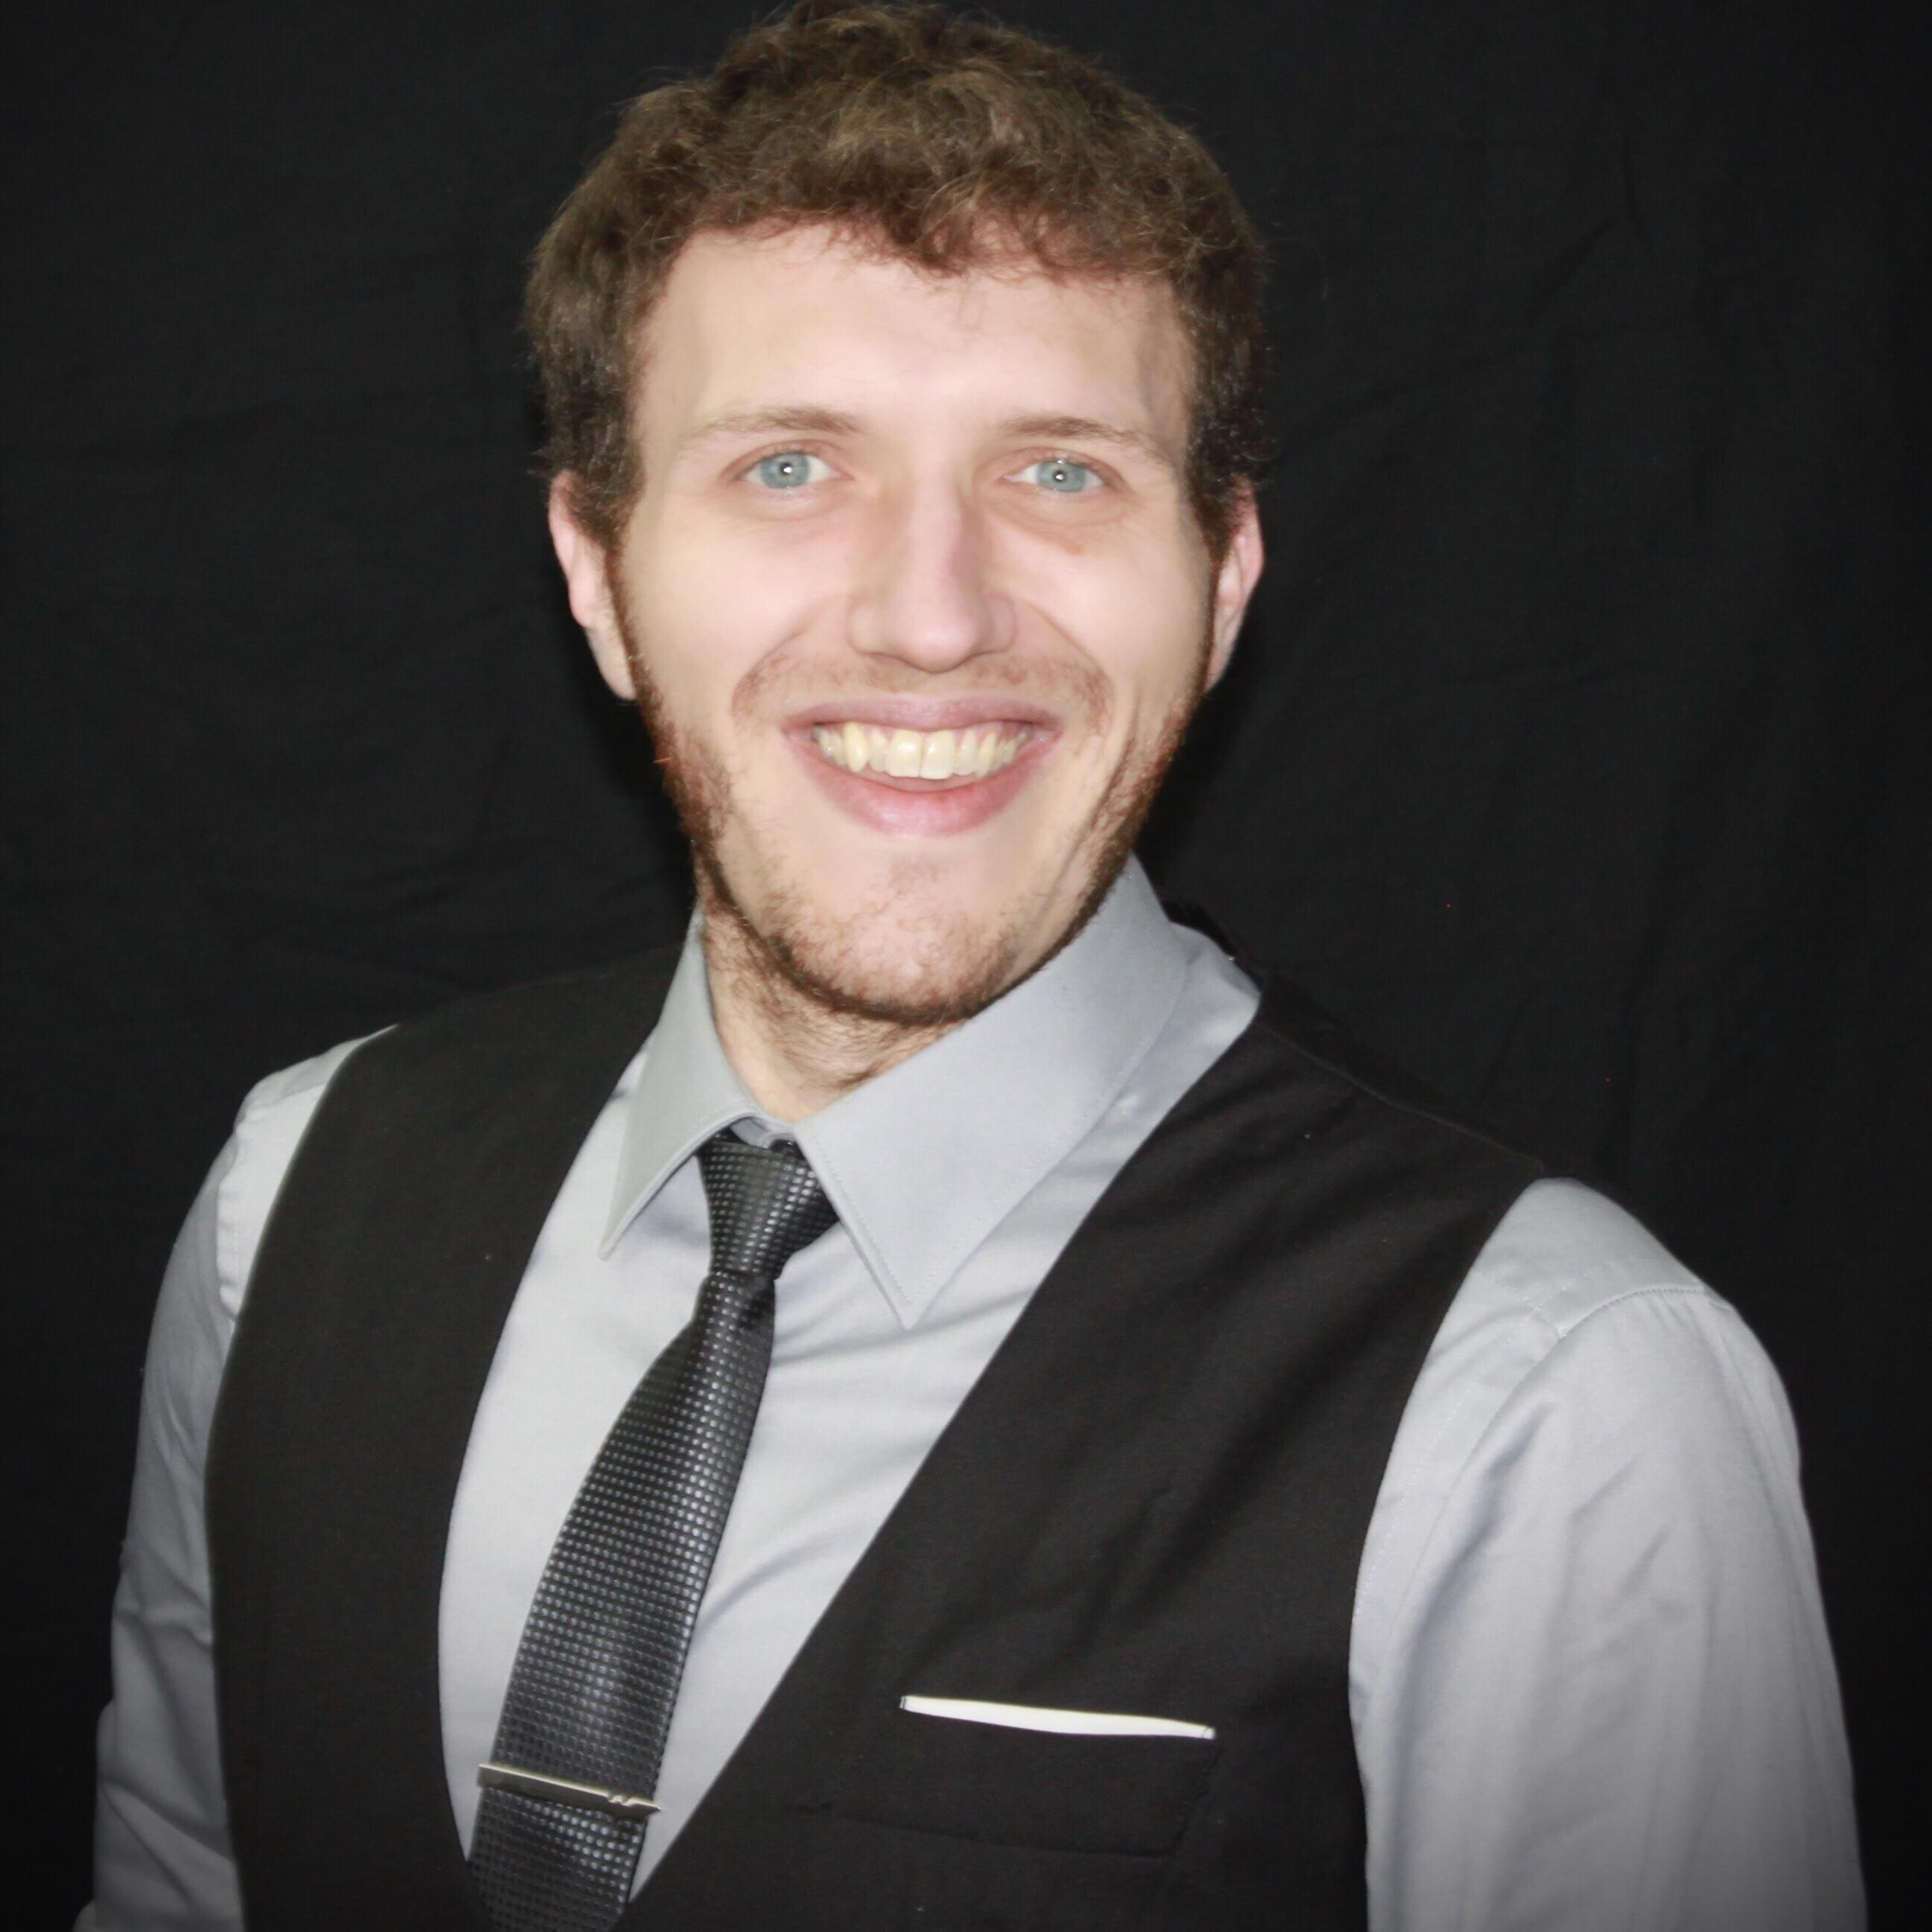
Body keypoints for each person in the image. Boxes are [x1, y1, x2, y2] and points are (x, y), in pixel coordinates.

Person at [86, 4, 1863, 1928]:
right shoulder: (293, 1199)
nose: (932, 617)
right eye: (788, 466)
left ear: (1222, 583)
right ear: (597, 571)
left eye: (1062, 473)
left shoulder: (1554, 1395)